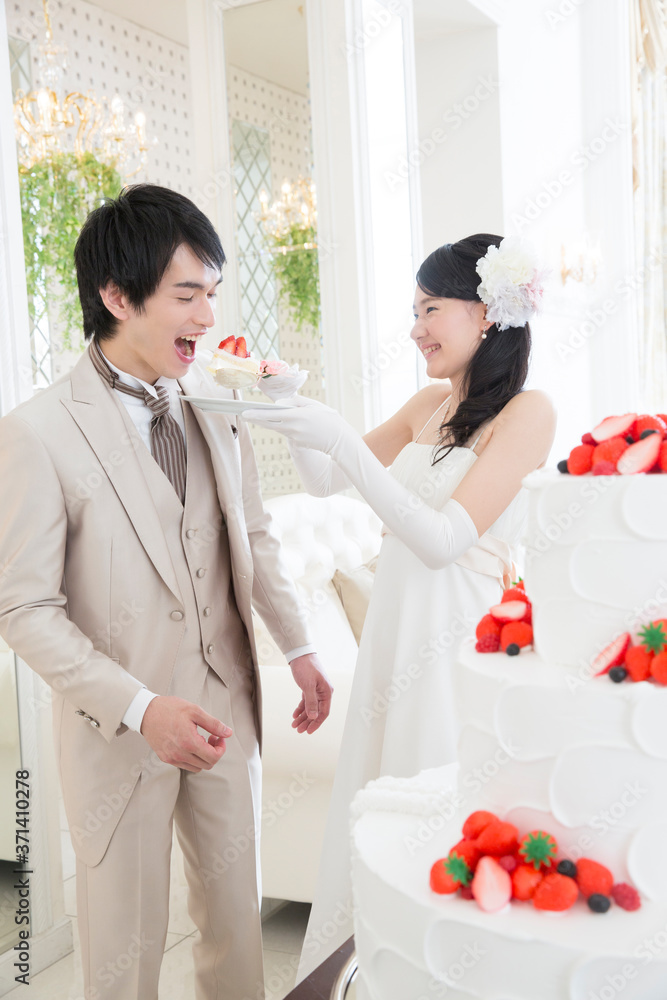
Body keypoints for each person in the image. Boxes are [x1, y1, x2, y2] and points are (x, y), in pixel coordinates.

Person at [0, 183, 333, 1000]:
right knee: (125, 947)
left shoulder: (216, 404)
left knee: (236, 927)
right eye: (187, 295)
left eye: (212, 293)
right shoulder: (36, 432)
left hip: (227, 705)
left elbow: (253, 536)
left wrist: (298, 647)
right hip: (118, 727)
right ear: (118, 297)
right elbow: (24, 608)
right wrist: (142, 708)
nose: (207, 317)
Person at [243, 233, 557, 977]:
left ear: (487, 313)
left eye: (430, 308)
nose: (416, 328)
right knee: (377, 806)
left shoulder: (528, 412)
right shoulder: (428, 403)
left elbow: (444, 540)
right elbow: (323, 478)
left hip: (454, 638)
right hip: (394, 635)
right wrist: (291, 407)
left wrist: (343, 444)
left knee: (434, 806)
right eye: (414, 311)